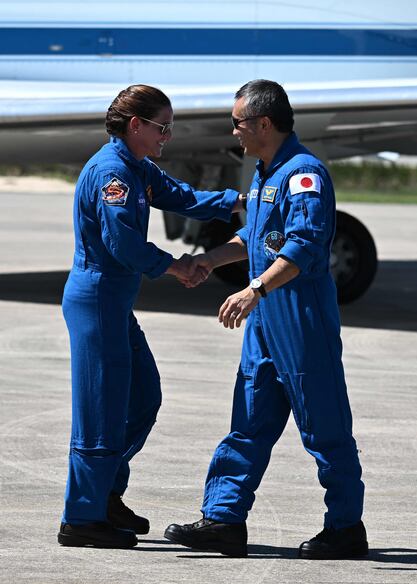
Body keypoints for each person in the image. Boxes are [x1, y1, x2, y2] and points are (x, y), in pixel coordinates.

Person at [164, 80, 367, 559]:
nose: (233, 130)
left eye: (238, 122)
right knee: (249, 422)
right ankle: (224, 520)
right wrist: (208, 260)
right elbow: (254, 238)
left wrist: (253, 289)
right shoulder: (264, 174)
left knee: (324, 429)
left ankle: (345, 528)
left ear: (264, 123)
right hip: (265, 322)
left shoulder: (304, 175)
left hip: (300, 320)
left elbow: (301, 248)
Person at [58, 85, 243, 549]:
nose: (168, 136)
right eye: (162, 127)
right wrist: (177, 266)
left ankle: (106, 494)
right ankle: (81, 517)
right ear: (135, 125)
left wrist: (244, 201)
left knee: (143, 396)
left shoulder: (138, 168)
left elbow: (183, 198)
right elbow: (122, 244)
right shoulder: (112, 173)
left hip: (116, 302)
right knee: (100, 411)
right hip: (97, 298)